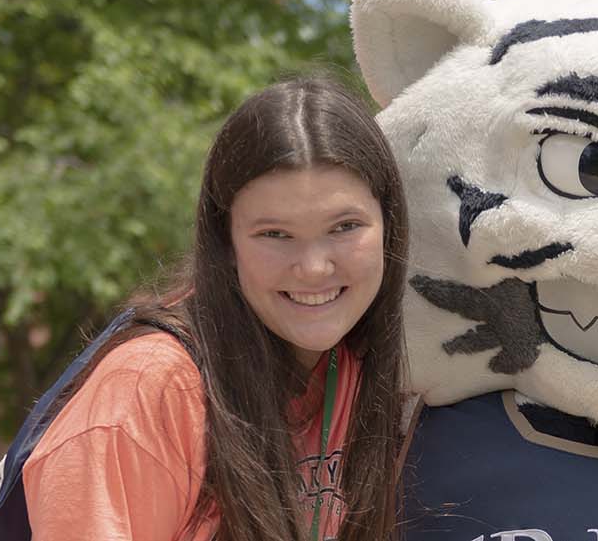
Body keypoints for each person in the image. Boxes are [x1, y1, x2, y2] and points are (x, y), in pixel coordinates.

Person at [22, 77, 410, 541]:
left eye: (344, 226)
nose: (313, 267)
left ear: (389, 225)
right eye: (275, 234)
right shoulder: (148, 392)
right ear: (225, 243)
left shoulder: (363, 364)